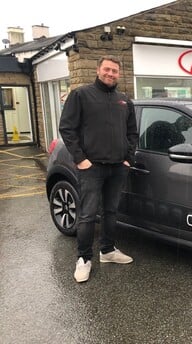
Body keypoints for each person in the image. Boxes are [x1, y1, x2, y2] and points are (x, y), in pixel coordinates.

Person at [59, 55, 138, 283]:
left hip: (117, 168)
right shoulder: (81, 95)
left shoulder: (124, 100)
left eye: (114, 71)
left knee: (111, 212)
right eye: (107, 69)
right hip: (91, 168)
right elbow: (67, 128)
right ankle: (84, 259)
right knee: (87, 216)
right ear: (98, 70)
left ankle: (108, 251)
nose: (110, 74)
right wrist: (80, 159)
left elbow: (132, 133)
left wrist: (128, 160)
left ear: (119, 74)